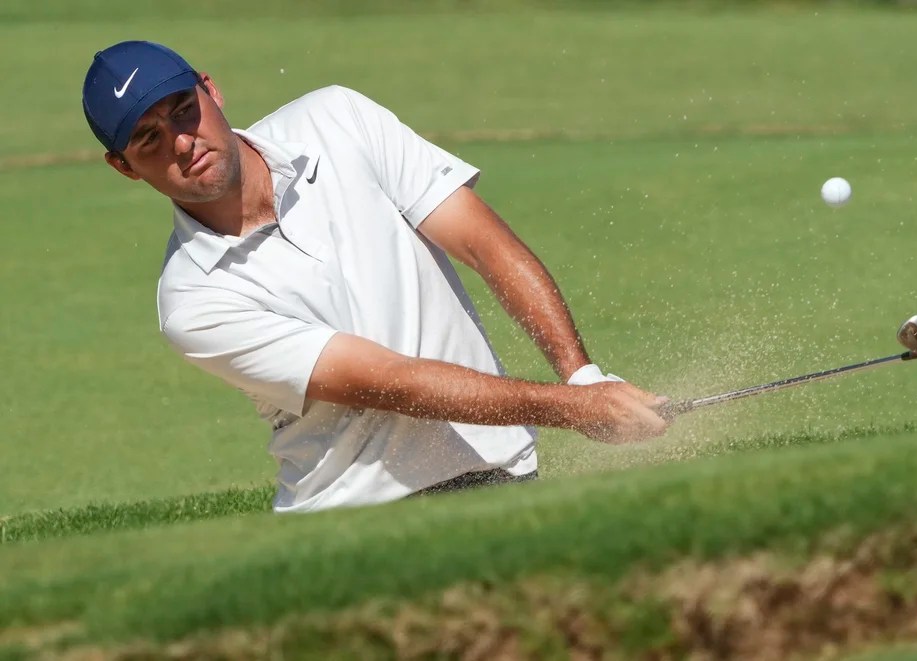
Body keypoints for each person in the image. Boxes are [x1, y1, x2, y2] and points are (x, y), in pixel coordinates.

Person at [81, 40, 670, 512]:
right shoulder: (192, 302)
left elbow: (485, 244)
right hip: (359, 518)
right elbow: (396, 382)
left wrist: (582, 377)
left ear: (211, 90)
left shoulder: (337, 118)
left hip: (503, 475)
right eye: (149, 138)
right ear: (123, 166)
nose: (183, 142)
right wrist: (576, 410)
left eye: (184, 109)